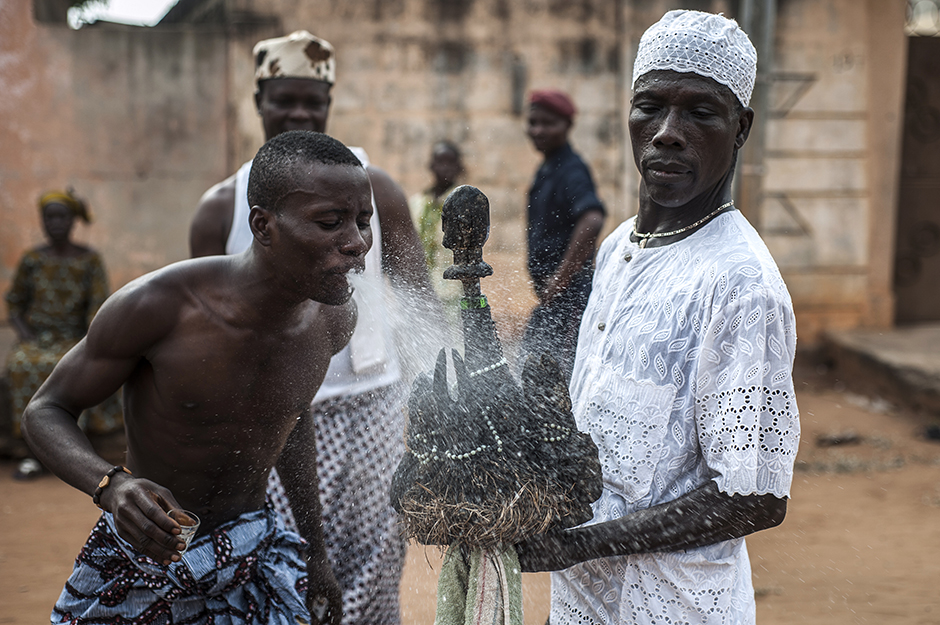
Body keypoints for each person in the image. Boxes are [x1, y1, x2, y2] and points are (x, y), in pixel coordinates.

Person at [516, 10, 801, 625]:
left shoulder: (742, 286)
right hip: (585, 597)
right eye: (651, 106)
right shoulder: (620, 247)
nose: (668, 132)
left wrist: (583, 542)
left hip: (675, 602)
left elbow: (753, 496)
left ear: (741, 127)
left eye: (701, 112)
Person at [22, 130, 370, 625]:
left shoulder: (333, 319)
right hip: (145, 554)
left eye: (363, 221)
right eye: (331, 222)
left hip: (251, 552)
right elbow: (45, 410)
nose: (356, 244)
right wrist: (113, 487)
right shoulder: (159, 306)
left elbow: (292, 424)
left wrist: (317, 555)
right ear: (263, 225)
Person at [189, 31, 433, 625]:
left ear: (328, 104)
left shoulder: (376, 191)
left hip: (370, 404)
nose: (299, 113)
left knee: (373, 563)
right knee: (279, 566)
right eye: (284, 100)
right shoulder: (221, 209)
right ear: (258, 102)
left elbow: (420, 303)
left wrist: (430, 412)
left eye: (312, 102)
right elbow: (204, 331)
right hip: (265, 413)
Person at [5, 189, 122, 480]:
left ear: (73, 221)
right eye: (49, 217)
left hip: (76, 338)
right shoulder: (32, 260)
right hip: (38, 338)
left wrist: (87, 341)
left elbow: (98, 308)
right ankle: (32, 452)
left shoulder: (89, 261)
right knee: (21, 365)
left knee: (73, 366)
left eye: (62, 216)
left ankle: (69, 454)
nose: (55, 223)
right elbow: (15, 304)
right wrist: (26, 335)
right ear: (42, 221)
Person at [522, 89, 606, 382]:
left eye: (547, 123)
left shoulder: (571, 169)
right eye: (533, 123)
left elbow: (592, 218)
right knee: (533, 373)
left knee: (561, 384)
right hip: (552, 302)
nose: (537, 130)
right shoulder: (548, 168)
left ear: (567, 126)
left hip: (570, 301)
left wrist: (560, 278)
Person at [408, 140, 465, 307]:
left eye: (450, 162)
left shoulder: (464, 202)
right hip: (420, 291)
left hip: (452, 291)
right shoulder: (416, 203)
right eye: (440, 161)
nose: (444, 167)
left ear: (459, 167)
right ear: (431, 165)